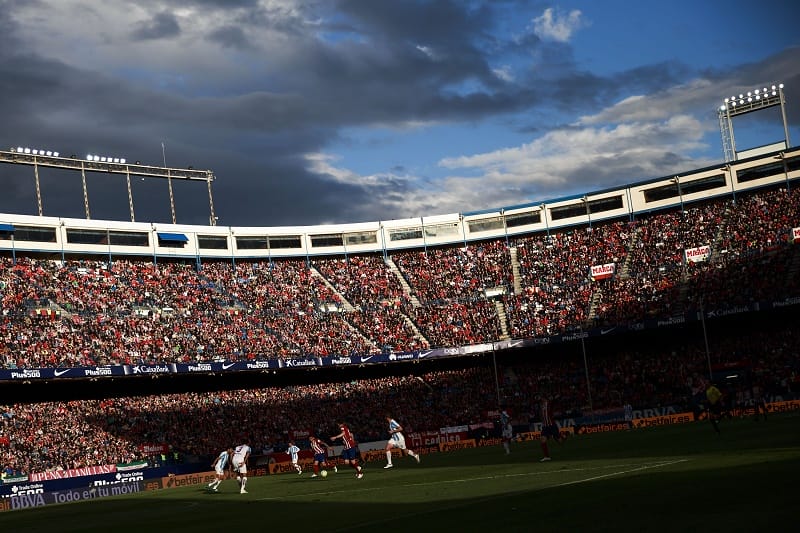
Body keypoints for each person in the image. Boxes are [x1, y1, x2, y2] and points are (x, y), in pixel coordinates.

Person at [537, 395, 564, 462]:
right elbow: (542, 415)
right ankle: (547, 457)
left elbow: (554, 400)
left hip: (552, 426)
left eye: (542, 398)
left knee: (560, 441)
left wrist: (555, 397)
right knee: (542, 440)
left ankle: (565, 435)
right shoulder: (541, 406)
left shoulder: (549, 403)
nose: (541, 400)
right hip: (545, 427)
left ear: (545, 398)